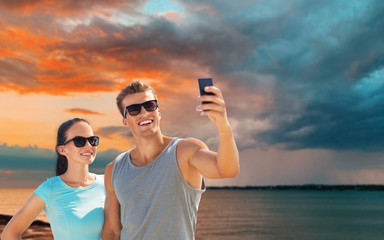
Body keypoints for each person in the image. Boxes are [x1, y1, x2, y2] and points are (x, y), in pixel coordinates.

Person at [102, 81, 240, 239]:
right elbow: (113, 231)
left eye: (150, 105)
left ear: (158, 112)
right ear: (125, 121)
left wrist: (223, 126)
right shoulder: (114, 169)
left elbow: (227, 170)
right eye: (133, 109)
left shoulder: (185, 151)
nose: (143, 112)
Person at [1, 118, 106, 240]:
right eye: (79, 141)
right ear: (62, 149)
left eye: (92, 140)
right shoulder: (50, 188)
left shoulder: (107, 183)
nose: (88, 145)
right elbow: (9, 234)